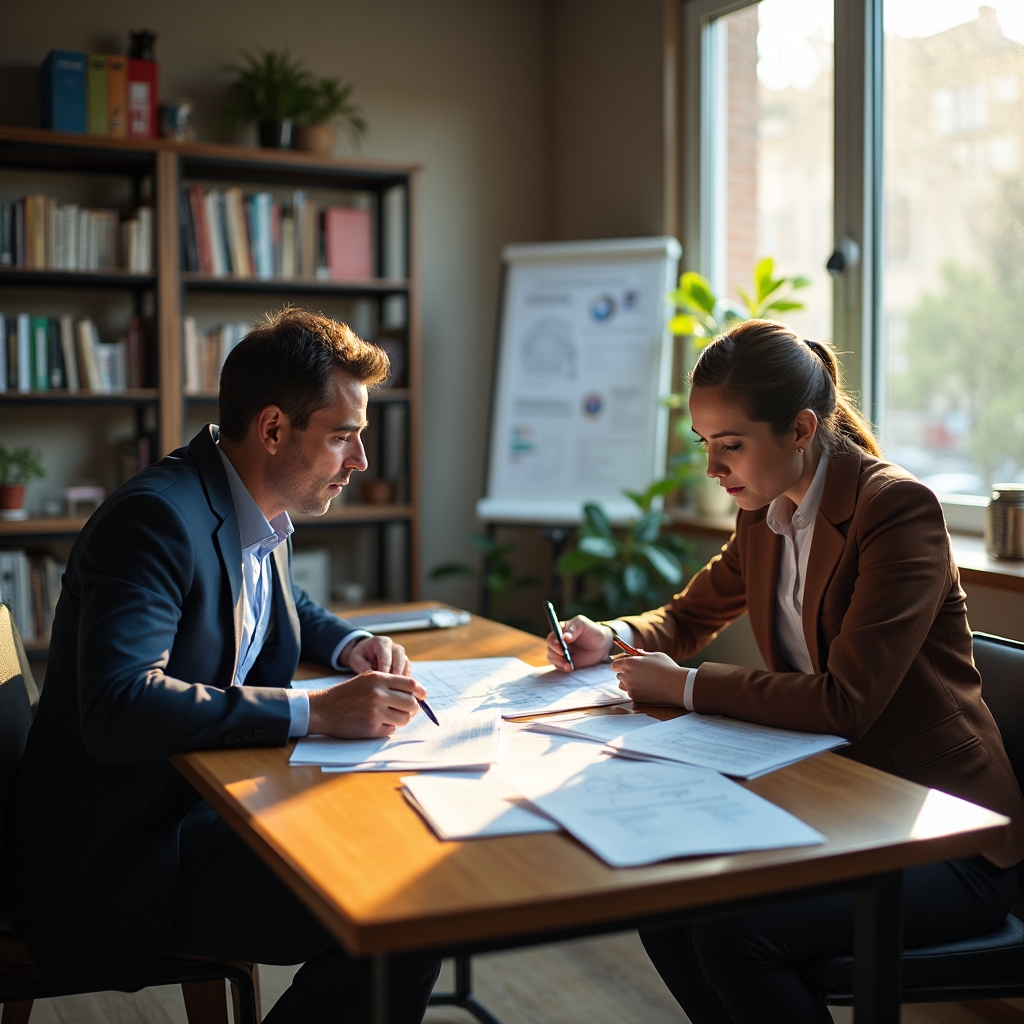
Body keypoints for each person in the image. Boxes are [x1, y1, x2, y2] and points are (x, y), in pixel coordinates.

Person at [546, 319, 1024, 1023]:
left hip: (950, 836)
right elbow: (684, 619)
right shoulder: (764, 510)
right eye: (705, 445)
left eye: (730, 446)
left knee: (735, 935)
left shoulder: (895, 508)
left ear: (800, 430)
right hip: (840, 803)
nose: (714, 470)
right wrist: (611, 636)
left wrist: (682, 684)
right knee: (667, 907)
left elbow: (846, 703)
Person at [6, 309, 439, 1023]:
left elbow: (271, 593)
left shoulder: (249, 498)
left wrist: (343, 645)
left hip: (201, 807)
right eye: (342, 437)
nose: (360, 461)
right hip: (125, 859)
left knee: (392, 855)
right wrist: (314, 711)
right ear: (273, 430)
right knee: (404, 914)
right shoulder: (152, 521)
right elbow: (120, 706)